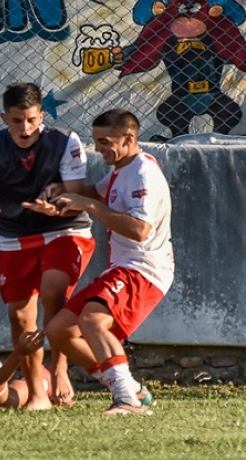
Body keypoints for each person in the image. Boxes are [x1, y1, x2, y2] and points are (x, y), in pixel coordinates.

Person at [29, 109, 172, 416]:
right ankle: (131, 388)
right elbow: (95, 193)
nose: (99, 149)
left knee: (92, 321)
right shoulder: (122, 169)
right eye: (96, 141)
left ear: (129, 138)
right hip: (124, 268)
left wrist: (89, 205)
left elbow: (139, 230)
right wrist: (62, 196)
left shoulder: (143, 173)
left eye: (105, 142)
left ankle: (126, 400)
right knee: (59, 331)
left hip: (144, 269)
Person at [0, 82, 95, 410]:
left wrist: (60, 206)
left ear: (42, 116)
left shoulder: (65, 141)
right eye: (17, 120)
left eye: (32, 120)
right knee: (21, 318)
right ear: (4, 118)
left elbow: (76, 193)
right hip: (15, 237)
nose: (25, 128)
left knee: (53, 295)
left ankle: (59, 368)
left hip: (64, 229)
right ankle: (38, 393)